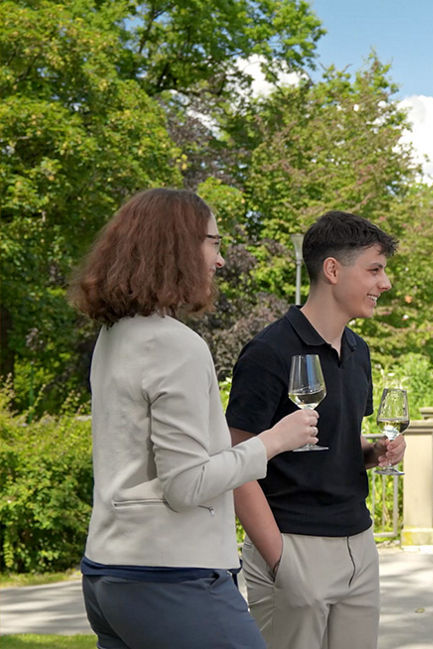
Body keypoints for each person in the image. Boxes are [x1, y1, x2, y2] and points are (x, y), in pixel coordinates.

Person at [71, 188, 319, 649]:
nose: (220, 260)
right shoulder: (175, 344)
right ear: (178, 246)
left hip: (109, 578)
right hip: (172, 579)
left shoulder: (114, 336)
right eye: (213, 243)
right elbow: (185, 485)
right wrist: (274, 440)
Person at [226, 210, 405, 649]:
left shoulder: (358, 350)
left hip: (358, 544)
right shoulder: (268, 352)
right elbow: (234, 464)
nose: (386, 284)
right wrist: (279, 560)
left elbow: (336, 441)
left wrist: (372, 450)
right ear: (332, 270)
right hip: (293, 543)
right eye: (375, 270)